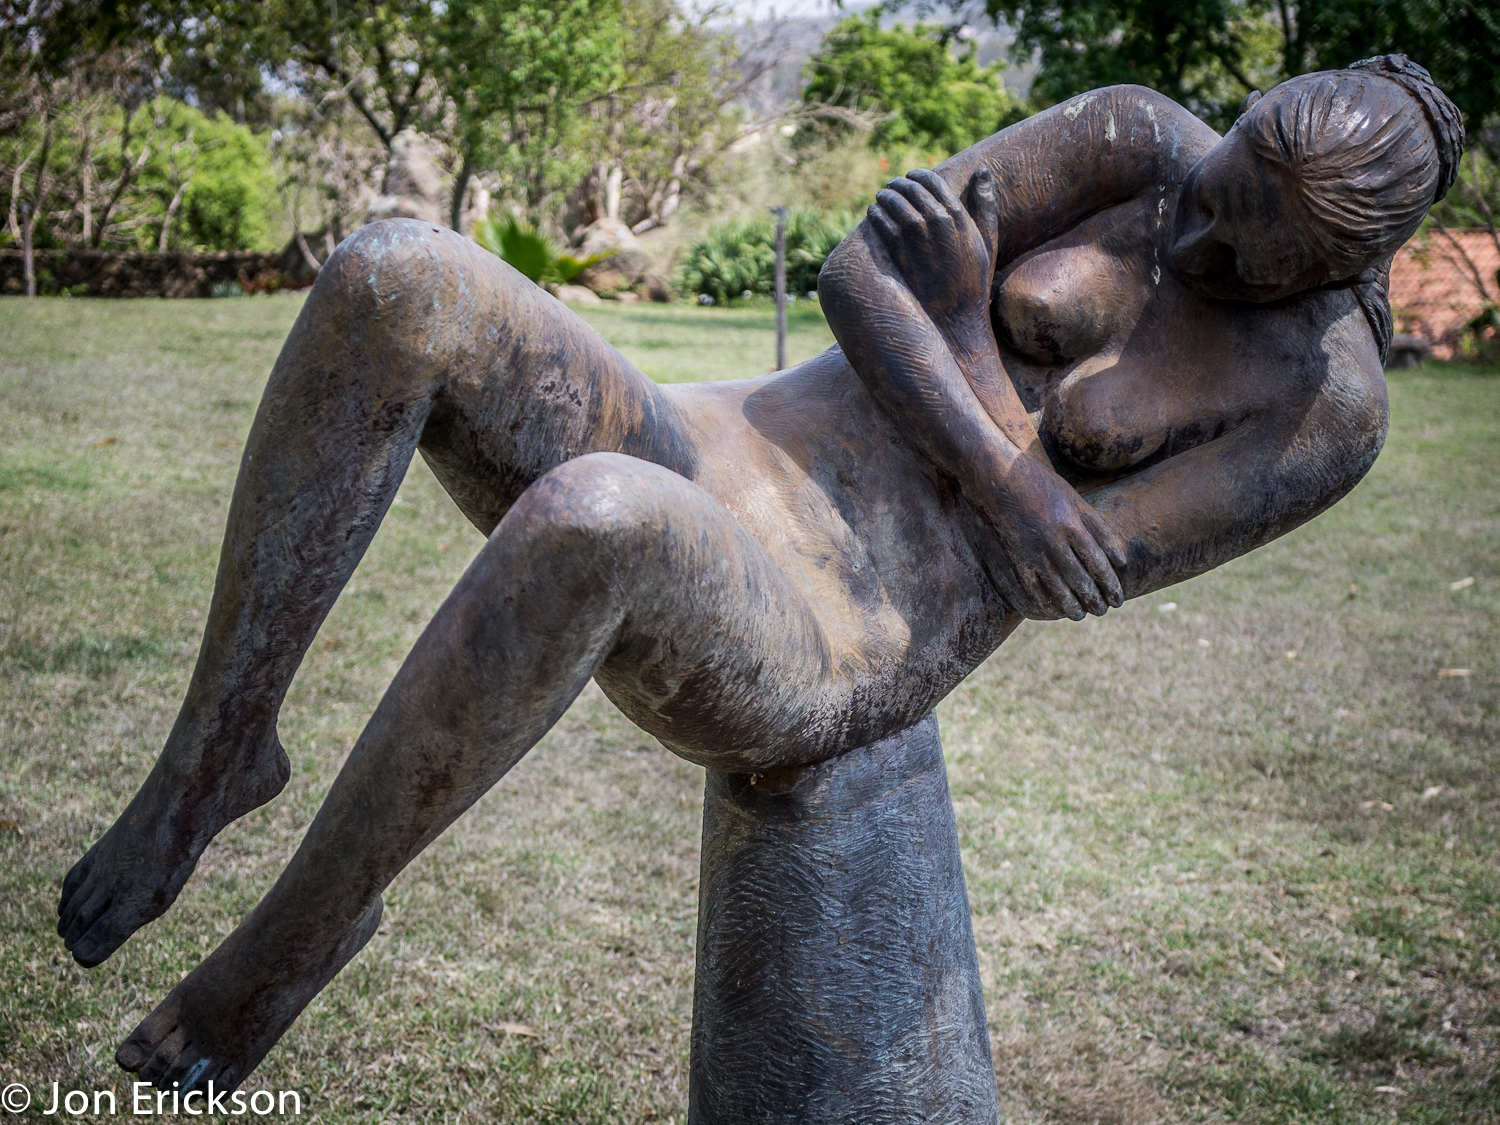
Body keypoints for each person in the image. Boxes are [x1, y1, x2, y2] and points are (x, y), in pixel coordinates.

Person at [55, 56, 1459, 1093]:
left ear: (1342, 268)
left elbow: (1064, 566)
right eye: (1216, 191)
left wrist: (968, 333)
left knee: (601, 515)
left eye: (1245, 261)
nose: (1197, 241)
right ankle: (218, 748)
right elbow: (863, 272)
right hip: (726, 436)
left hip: (844, 623)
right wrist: (996, 423)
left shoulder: (1324, 411)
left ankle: (299, 936)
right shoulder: (1137, 135)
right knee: (394, 277)